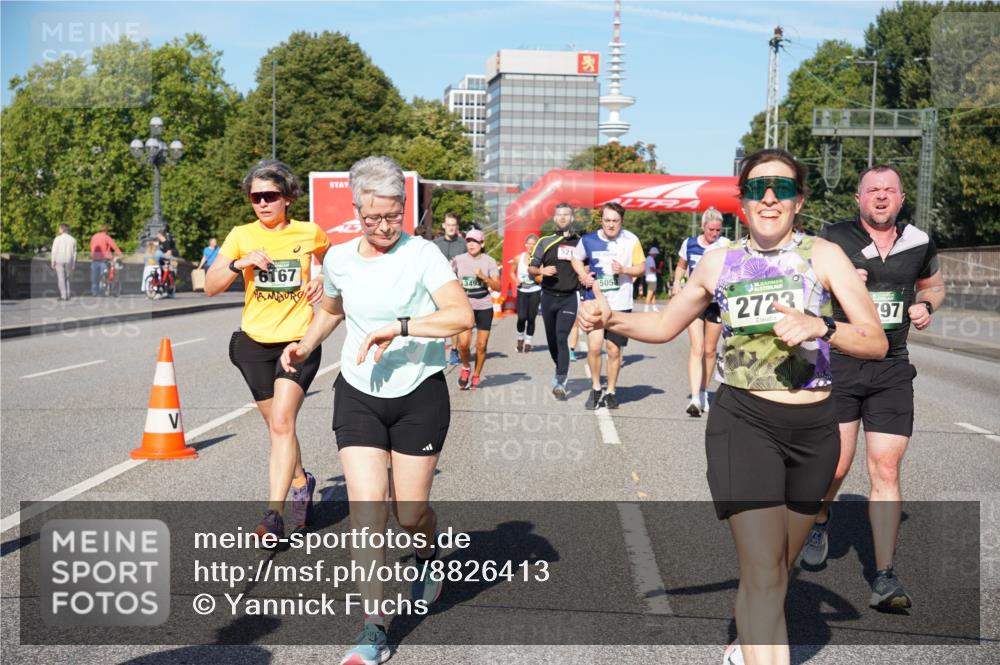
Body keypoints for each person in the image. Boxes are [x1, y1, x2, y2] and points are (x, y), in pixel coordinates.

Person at [578, 148, 886, 665]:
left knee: (777, 571)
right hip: (745, 423)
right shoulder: (720, 262)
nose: (769, 198)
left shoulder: (824, 256)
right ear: (742, 202)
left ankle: (746, 648)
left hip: (814, 430)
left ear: (798, 201)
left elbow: (875, 340)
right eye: (757, 188)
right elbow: (662, 326)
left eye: (781, 188)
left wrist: (821, 325)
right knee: (764, 573)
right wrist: (610, 319)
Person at [279, 156, 473, 665]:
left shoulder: (423, 254)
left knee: (410, 513)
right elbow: (332, 309)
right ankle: (374, 626)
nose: (385, 227)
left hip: (419, 395)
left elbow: (461, 315)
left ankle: (427, 553)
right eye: (373, 218)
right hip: (359, 393)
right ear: (356, 210)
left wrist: (402, 327)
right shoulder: (340, 259)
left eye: (393, 216)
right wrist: (305, 344)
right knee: (368, 511)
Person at [801, 164, 945, 612]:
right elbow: (803, 290)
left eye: (889, 190)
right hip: (840, 362)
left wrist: (926, 305)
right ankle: (819, 520)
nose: (881, 196)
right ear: (858, 199)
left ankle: (884, 575)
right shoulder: (833, 238)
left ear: (901, 198)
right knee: (835, 467)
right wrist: (836, 286)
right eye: (872, 190)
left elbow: (934, 286)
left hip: (891, 367)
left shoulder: (919, 242)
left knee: (886, 469)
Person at [204, 159, 329, 542]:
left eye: (270, 196)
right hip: (254, 344)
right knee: (277, 426)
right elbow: (210, 286)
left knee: (281, 423)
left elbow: (333, 268)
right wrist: (240, 263)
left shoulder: (310, 232)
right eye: (255, 197)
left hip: (298, 342)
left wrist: (323, 279)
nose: (262, 203)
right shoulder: (241, 235)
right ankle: (300, 479)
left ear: (287, 197)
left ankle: (273, 516)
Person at [571, 202, 645, 410]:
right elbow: (576, 259)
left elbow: (641, 268)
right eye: (607, 220)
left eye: (615, 221)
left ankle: (611, 391)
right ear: (601, 220)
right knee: (595, 347)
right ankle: (596, 388)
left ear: (622, 221)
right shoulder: (588, 240)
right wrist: (583, 275)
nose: (611, 225)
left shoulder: (631, 240)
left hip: (620, 303)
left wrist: (624, 270)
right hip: (594, 301)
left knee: (613, 350)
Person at [672, 207, 730, 416]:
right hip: (694, 302)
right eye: (711, 230)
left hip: (715, 303)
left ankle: (704, 390)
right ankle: (695, 398)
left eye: (718, 230)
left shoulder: (725, 245)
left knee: (710, 350)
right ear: (703, 226)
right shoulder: (689, 244)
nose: (714, 234)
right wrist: (676, 283)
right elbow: (681, 265)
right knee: (696, 348)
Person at [528, 203, 581, 400]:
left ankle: (561, 380)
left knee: (561, 336)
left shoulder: (580, 243)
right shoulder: (545, 241)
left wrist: (586, 275)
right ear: (554, 218)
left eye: (566, 214)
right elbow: (531, 268)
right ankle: (559, 367)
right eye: (559, 215)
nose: (563, 217)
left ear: (572, 218)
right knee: (552, 341)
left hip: (569, 297)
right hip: (549, 297)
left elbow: (587, 266)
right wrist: (541, 270)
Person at [451, 229, 501, 389]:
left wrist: (484, 278)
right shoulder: (458, 260)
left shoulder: (489, 261)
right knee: (464, 344)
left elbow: (498, 286)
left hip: (484, 306)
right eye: (468, 241)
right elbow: (448, 279)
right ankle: (466, 367)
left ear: (482, 244)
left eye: (475, 241)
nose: (471, 244)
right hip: (465, 307)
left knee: (481, 345)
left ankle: (476, 375)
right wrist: (456, 285)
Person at [433, 212, 466, 366]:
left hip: (456, 286)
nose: (451, 228)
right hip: (437, 286)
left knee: (453, 320)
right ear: (444, 226)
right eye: (449, 225)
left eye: (454, 225)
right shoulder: (435, 244)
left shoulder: (463, 244)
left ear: (457, 227)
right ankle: (435, 349)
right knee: (437, 320)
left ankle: (454, 350)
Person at [510, 233, 541, 352]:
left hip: (535, 290)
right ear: (525, 244)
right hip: (522, 290)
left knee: (531, 317)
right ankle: (520, 338)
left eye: (534, 244)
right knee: (522, 317)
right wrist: (516, 280)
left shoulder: (540, 259)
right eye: (529, 244)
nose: (531, 246)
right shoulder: (519, 258)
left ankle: (528, 342)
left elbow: (542, 274)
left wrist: (539, 277)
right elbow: (512, 272)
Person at [89, 224, 122, 296]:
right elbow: (115, 247)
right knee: (104, 276)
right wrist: (121, 255)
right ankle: (103, 291)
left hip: (94, 260)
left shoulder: (94, 237)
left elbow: (91, 247)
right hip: (103, 260)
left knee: (95, 277)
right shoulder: (107, 237)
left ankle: (94, 292)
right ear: (106, 230)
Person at [51, 223, 77, 301]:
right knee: (67, 278)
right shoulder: (73, 240)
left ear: (62, 229)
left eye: (59, 228)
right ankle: (67, 295)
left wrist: (53, 261)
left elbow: (54, 251)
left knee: (61, 278)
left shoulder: (57, 239)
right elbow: (74, 253)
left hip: (59, 260)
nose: (59, 230)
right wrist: (73, 263)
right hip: (69, 260)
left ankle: (63, 296)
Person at [643, 246, 660, 312]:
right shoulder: (650, 259)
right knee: (650, 293)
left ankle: (654, 307)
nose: (656, 255)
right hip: (651, 279)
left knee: (653, 294)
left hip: (648, 278)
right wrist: (658, 270)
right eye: (656, 253)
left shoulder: (648, 259)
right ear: (653, 253)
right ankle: (646, 308)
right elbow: (652, 269)